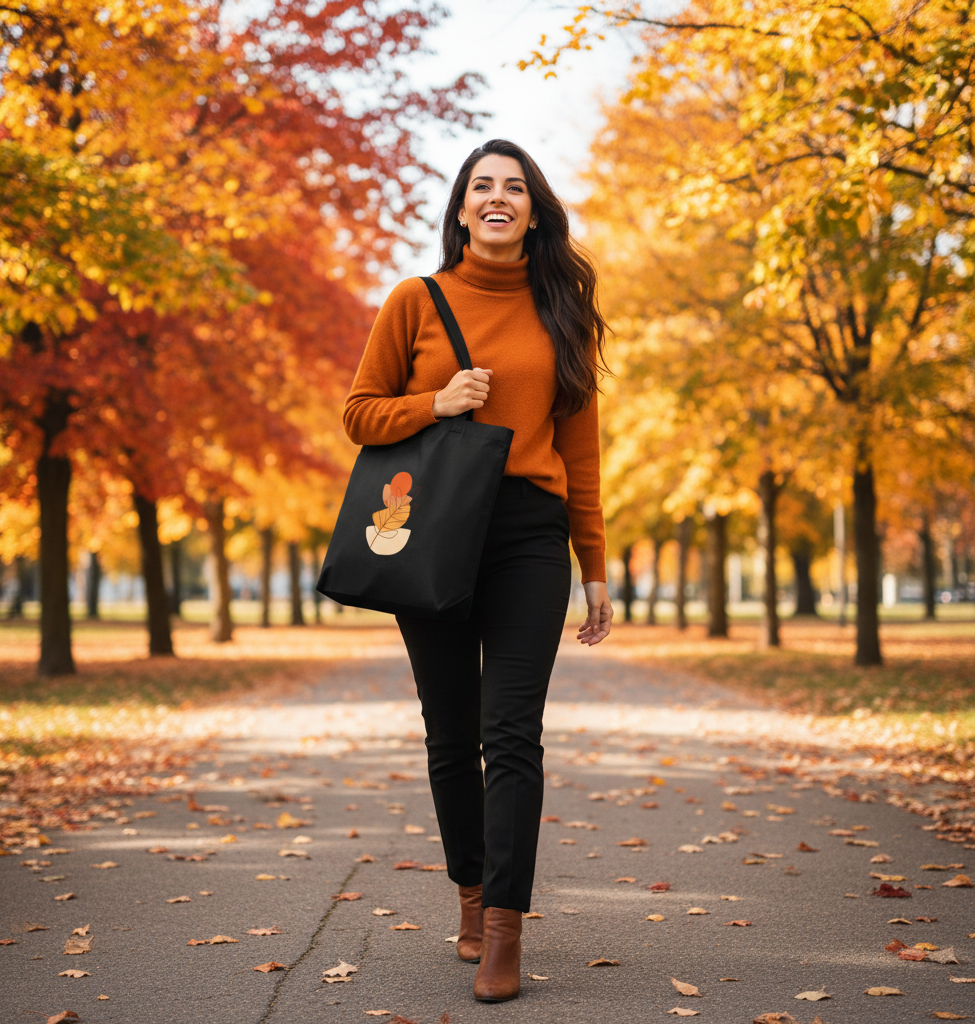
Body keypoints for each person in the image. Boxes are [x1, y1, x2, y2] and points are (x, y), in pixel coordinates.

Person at [343, 138, 612, 1003]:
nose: (499, 197)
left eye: (516, 187)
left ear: (533, 210)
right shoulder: (413, 302)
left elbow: (581, 450)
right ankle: (468, 894)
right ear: (461, 209)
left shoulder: (561, 308)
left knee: (512, 732)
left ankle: (504, 928)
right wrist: (438, 402)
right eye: (482, 186)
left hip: (531, 533)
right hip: (434, 530)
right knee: (451, 734)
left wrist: (595, 565)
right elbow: (358, 413)